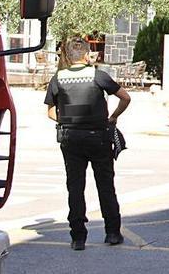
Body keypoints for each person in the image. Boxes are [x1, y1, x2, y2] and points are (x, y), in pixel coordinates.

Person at [44, 37, 131, 251]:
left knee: (75, 186)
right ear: (86, 55)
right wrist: (113, 117)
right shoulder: (98, 76)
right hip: (98, 137)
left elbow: (50, 112)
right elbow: (125, 98)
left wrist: (67, 120)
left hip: (70, 138)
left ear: (68, 56)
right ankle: (112, 232)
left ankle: (78, 237)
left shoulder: (58, 79)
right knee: (105, 185)